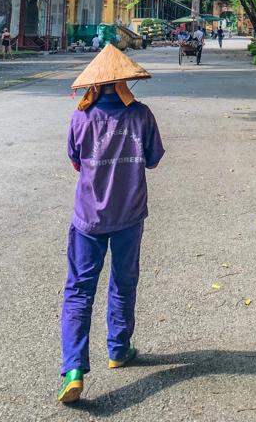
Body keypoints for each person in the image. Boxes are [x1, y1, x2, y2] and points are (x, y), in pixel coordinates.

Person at [58, 44, 165, 404]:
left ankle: (74, 369)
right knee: (123, 282)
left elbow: (75, 161)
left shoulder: (81, 117)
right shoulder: (142, 116)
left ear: (94, 85)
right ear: (124, 83)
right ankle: (118, 349)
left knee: (79, 290)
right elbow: (153, 160)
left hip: (88, 217)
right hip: (128, 216)